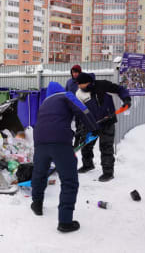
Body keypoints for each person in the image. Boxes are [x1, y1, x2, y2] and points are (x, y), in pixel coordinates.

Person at [31, 81, 98, 233]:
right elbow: (82, 110)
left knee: (39, 173)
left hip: (40, 142)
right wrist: (94, 128)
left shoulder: (44, 104)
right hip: (60, 142)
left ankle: (37, 204)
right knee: (69, 181)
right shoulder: (65, 95)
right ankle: (65, 222)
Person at [75, 72, 131, 182]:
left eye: (80, 84)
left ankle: (108, 173)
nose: (79, 86)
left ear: (88, 82)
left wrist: (126, 99)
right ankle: (88, 165)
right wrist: (85, 127)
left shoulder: (103, 85)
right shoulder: (79, 94)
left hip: (107, 122)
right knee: (86, 144)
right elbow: (81, 112)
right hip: (91, 123)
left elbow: (120, 89)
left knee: (106, 147)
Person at [66, 64, 83, 148]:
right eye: (73, 72)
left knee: (78, 125)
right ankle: (68, 141)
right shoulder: (69, 82)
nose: (75, 74)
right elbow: (66, 93)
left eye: (76, 72)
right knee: (67, 125)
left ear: (80, 73)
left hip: (79, 107)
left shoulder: (83, 82)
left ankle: (76, 143)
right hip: (70, 107)